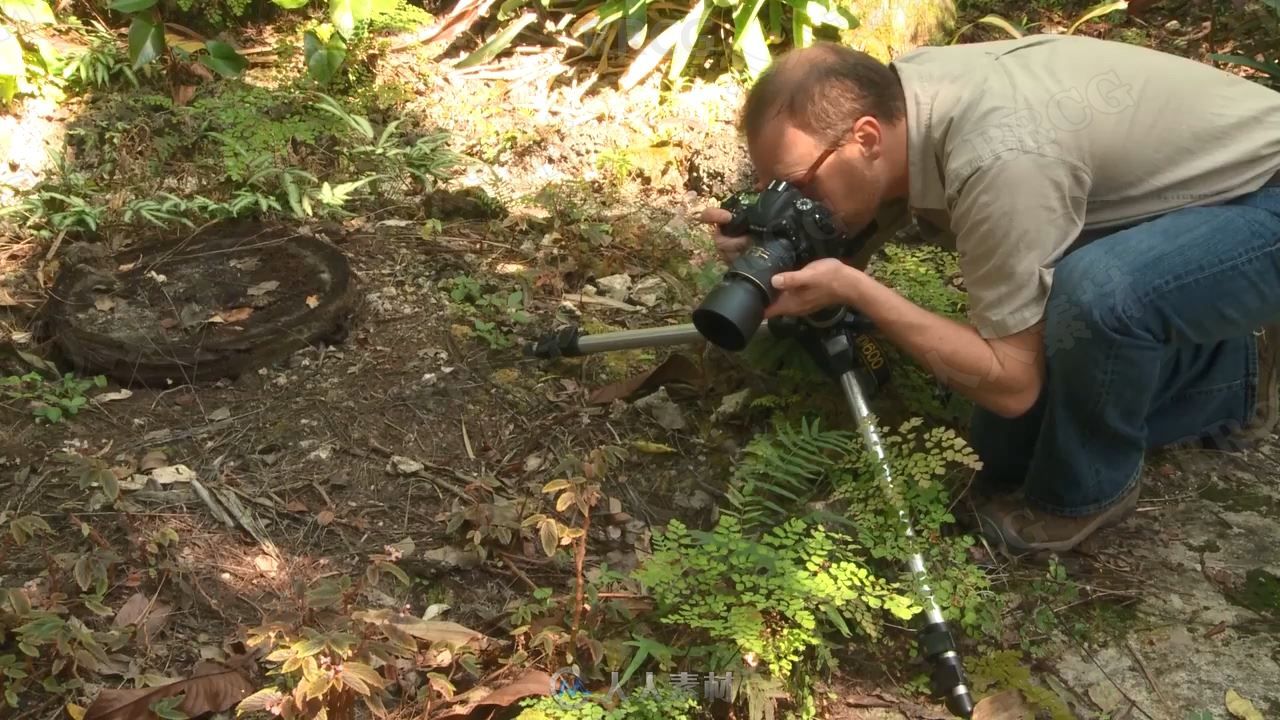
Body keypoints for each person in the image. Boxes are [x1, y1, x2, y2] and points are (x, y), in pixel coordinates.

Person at [700, 34, 1280, 554]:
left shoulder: (998, 157)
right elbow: (868, 204)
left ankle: (1086, 493)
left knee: (1099, 293)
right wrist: (788, 241)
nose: (790, 199)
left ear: (866, 137)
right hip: (1197, 189)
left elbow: (1011, 385)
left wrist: (856, 287)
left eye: (798, 185)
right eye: (773, 188)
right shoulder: (906, 98)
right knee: (1002, 454)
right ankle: (1230, 374)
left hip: (1263, 198)